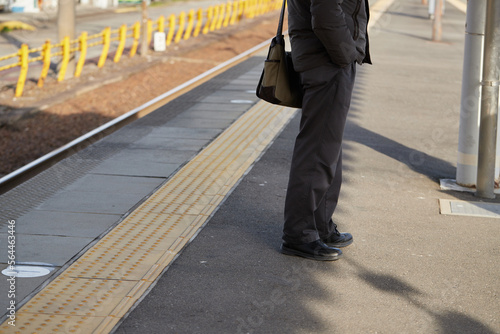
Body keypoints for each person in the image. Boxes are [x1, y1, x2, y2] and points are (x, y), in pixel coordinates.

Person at [280, 0, 371, 260]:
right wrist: (346, 54)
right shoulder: (334, 58)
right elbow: (325, 13)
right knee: (317, 151)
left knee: (327, 147)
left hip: (326, 60)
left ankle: (319, 225)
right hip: (327, 62)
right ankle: (299, 235)